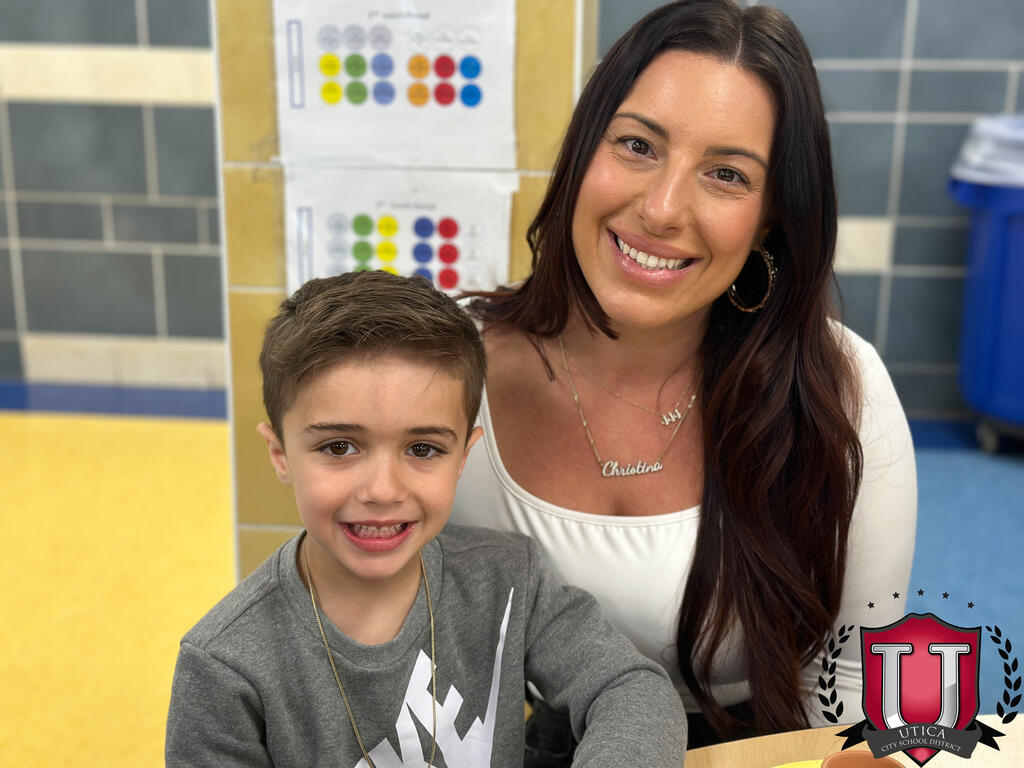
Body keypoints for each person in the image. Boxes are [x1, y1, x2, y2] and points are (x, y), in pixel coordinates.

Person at [452, 0, 916, 757]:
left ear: (772, 218)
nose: (663, 209)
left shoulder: (842, 389)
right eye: (637, 145)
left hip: (764, 745)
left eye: (727, 174)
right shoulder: (449, 369)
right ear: (582, 154)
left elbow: (859, 685)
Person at [165, 270, 687, 768]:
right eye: (339, 446)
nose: (383, 491)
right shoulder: (223, 666)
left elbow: (630, 688)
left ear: (463, 456)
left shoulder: (509, 578)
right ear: (280, 455)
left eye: (422, 448)